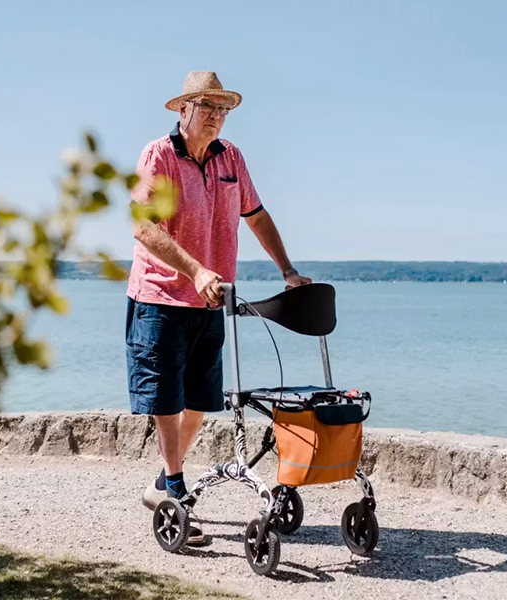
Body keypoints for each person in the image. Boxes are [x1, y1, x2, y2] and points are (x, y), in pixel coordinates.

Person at [126, 71, 311, 545]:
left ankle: (164, 481)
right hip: (160, 296)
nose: (216, 117)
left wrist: (287, 271)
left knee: (198, 402)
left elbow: (257, 214)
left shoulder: (232, 159)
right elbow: (144, 228)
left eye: (222, 109)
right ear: (182, 109)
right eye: (206, 107)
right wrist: (195, 271)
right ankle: (175, 490)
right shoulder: (159, 155)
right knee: (166, 399)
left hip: (211, 299)